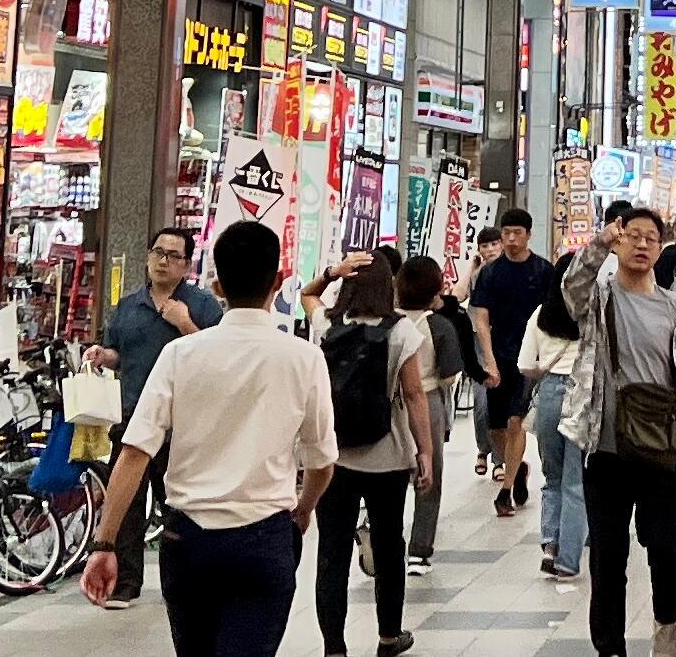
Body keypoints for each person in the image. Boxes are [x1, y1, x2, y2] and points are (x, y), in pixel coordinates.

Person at [82, 221, 337, 657]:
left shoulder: (181, 354)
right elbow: (321, 460)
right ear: (277, 281)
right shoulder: (304, 358)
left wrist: (105, 544)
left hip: (188, 542)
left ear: (217, 284)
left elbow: (134, 454)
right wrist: (304, 509)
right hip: (264, 539)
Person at [561, 207, 676, 657]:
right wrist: (597, 243)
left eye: (650, 238)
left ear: (661, 248)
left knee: (666, 547)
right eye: (633, 236)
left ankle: (666, 629)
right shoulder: (599, 300)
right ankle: (611, 648)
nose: (641, 245)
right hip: (606, 449)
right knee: (607, 556)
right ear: (619, 243)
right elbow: (571, 288)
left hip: (662, 446)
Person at [90, 226, 225, 597]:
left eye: (173, 256)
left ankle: (183, 581)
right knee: (127, 504)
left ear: (186, 264)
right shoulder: (129, 305)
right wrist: (103, 356)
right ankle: (126, 583)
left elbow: (216, 358)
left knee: (178, 509)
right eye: (157, 253)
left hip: (183, 424)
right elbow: (119, 352)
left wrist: (183, 323)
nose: (163, 261)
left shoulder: (202, 306)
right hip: (133, 415)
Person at [309, 260, 429, 657]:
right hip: (387, 456)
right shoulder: (401, 331)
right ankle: (389, 636)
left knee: (332, 552)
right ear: (388, 286)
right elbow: (413, 394)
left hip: (333, 457)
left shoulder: (326, 325)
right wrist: (424, 451)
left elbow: (306, 295)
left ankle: (333, 647)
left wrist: (332, 272)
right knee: (389, 546)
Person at [399, 255, 483, 574]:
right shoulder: (438, 325)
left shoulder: (388, 321)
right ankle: (419, 551)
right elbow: (450, 374)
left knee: (391, 474)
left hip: (389, 404)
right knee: (428, 473)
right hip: (428, 399)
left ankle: (380, 535)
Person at [472, 217, 554, 515]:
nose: (510, 239)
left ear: (529, 235)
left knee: (515, 420)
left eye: (517, 233)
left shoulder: (543, 270)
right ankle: (515, 469)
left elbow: (551, 315)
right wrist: (489, 359)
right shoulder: (490, 273)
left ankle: (505, 492)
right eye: (506, 233)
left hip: (530, 359)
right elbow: (481, 317)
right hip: (499, 354)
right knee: (495, 426)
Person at [522, 277, 589, 579]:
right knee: (577, 480)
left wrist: (545, 369)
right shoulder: (592, 312)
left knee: (553, 475)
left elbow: (524, 364)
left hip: (549, 393)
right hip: (583, 395)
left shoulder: (541, 314)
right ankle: (569, 559)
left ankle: (551, 543)